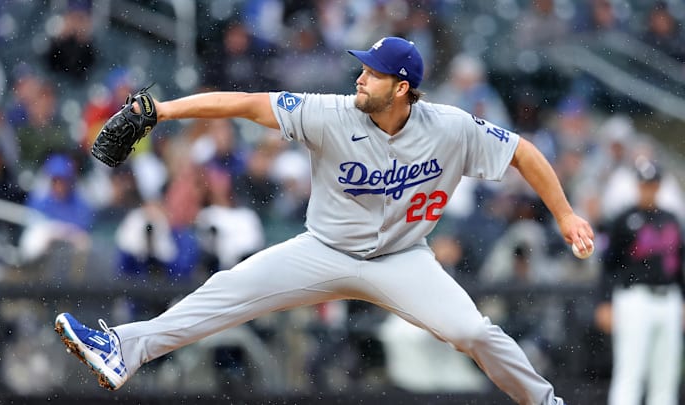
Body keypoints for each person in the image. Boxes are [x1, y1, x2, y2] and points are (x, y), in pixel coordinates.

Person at [54, 37, 593, 405]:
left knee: (474, 330)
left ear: (401, 88)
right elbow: (244, 104)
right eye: (362, 68)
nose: (359, 77)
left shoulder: (449, 127)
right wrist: (164, 111)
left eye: (372, 73)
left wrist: (565, 214)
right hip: (324, 250)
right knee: (227, 289)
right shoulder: (329, 112)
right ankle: (122, 349)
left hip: (404, 259)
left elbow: (522, 151)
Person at [594, 158, 684, 405]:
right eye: (644, 184)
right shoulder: (624, 219)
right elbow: (608, 264)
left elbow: (680, 264)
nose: (648, 189)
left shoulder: (672, 219)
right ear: (637, 185)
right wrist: (604, 301)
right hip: (634, 298)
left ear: (659, 186)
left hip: (669, 298)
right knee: (630, 373)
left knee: (666, 378)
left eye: (653, 184)